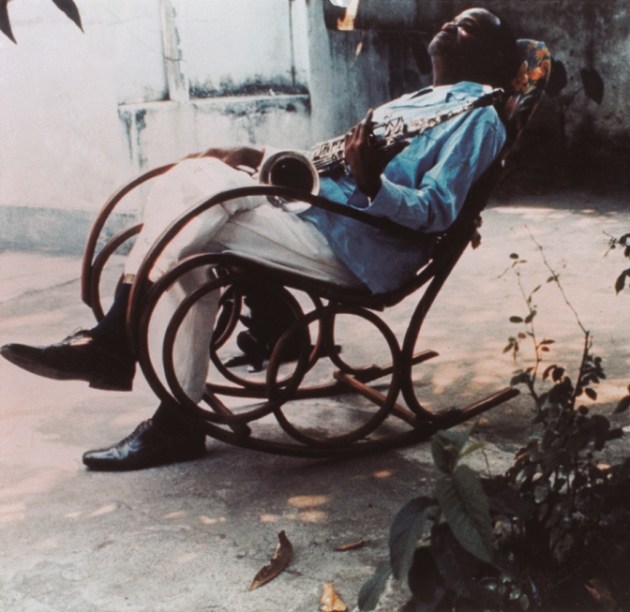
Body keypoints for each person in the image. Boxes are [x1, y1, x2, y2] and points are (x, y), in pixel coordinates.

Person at [1, 7, 519, 471]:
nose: (451, 24)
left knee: (197, 196)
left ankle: (116, 342)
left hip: (362, 248)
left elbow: (436, 209)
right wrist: (258, 155)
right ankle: (173, 411)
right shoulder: (416, 100)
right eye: (454, 18)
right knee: (195, 216)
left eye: (469, 27)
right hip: (321, 218)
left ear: (492, 57)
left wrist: (373, 186)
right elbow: (327, 160)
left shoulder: (478, 116)